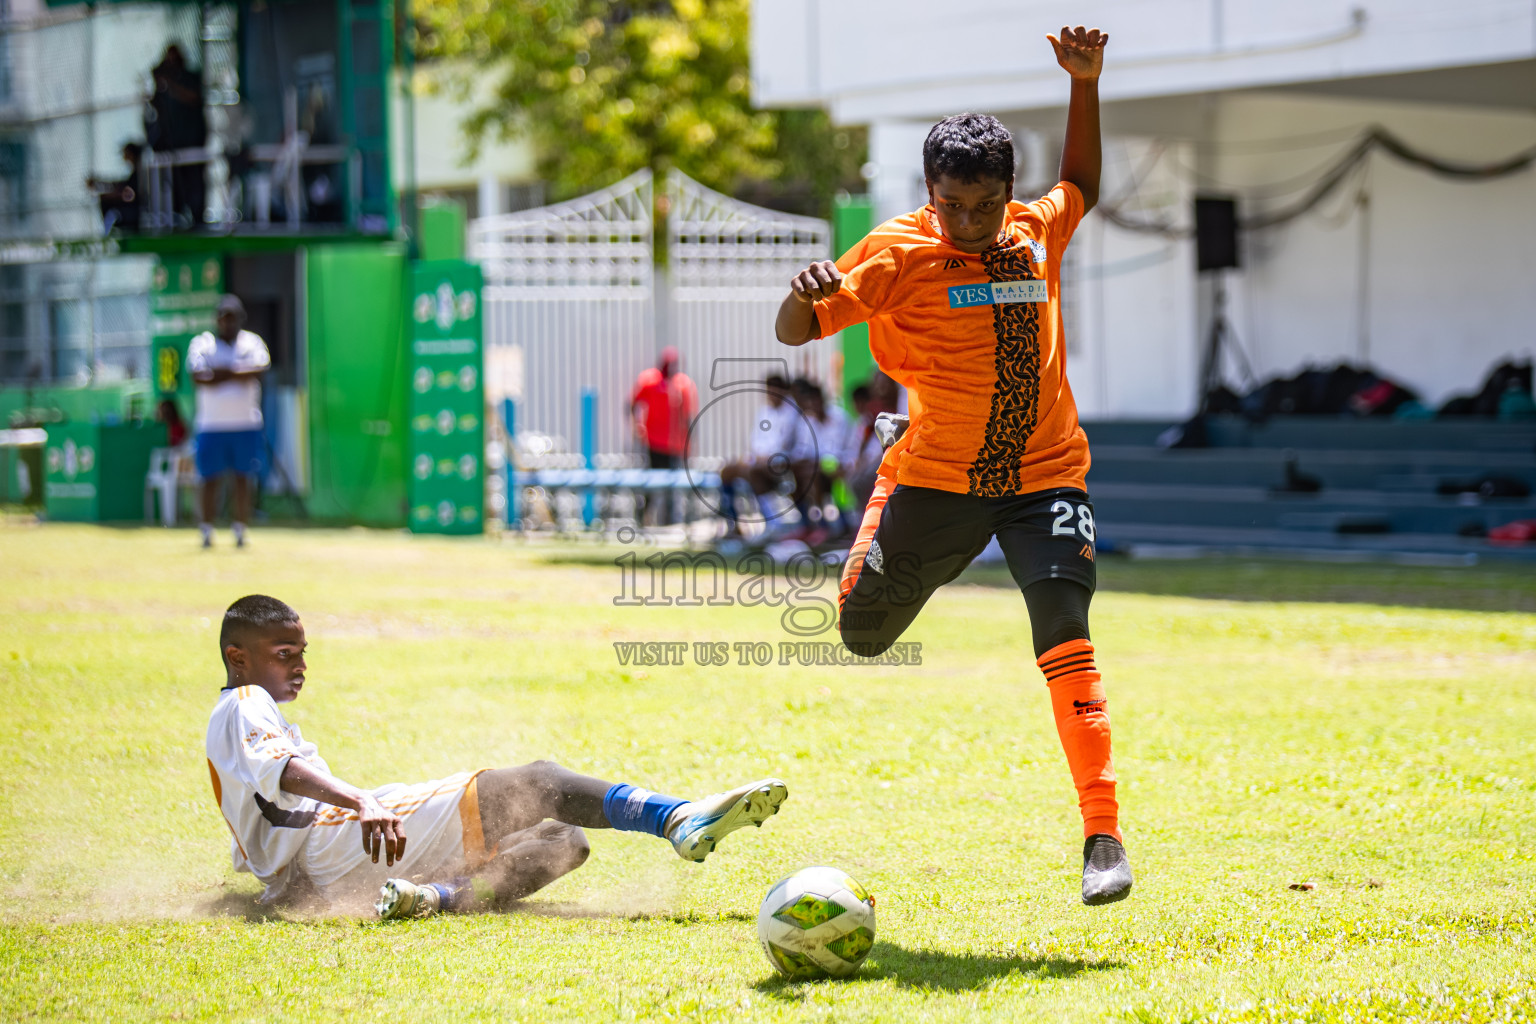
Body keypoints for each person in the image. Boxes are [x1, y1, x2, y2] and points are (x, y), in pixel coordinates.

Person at [773, 27, 1131, 906]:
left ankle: (1102, 834)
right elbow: (792, 332)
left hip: (1046, 474)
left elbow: (1081, 179)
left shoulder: (1037, 230)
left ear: (1010, 190)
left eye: (985, 205)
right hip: (934, 479)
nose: (969, 223)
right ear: (929, 192)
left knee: (1065, 631)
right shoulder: (896, 254)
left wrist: (1085, 85)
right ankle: (888, 478)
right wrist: (803, 292)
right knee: (861, 634)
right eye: (952, 206)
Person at [205, 595, 789, 917]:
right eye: (285, 653)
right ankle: (678, 818)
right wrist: (361, 801)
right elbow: (282, 769)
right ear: (239, 659)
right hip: (335, 843)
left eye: (303, 652)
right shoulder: (244, 702)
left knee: (564, 842)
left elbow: (260, 804)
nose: (300, 665)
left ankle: (431, 897)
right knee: (539, 781)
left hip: (323, 873)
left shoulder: (243, 714)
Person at [186, 294, 269, 549]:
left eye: (232, 318)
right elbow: (199, 376)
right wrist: (236, 371)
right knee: (209, 479)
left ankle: (240, 529)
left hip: (245, 424)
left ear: (240, 319)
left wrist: (221, 371)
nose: (227, 323)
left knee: (243, 478)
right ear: (217, 319)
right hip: (211, 425)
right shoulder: (203, 343)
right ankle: (207, 531)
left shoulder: (252, 342)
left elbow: (258, 370)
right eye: (223, 317)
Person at [717, 373, 797, 538]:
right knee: (726, 471)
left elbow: (784, 442)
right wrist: (753, 456)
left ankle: (772, 522)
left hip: (781, 460)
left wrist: (763, 456)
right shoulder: (764, 411)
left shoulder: (791, 412)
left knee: (755, 472)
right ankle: (733, 524)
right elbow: (755, 439)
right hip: (760, 459)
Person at [630, 346, 698, 525]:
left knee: (673, 484)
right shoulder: (650, 380)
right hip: (654, 442)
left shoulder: (682, 384)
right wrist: (636, 426)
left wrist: (689, 443)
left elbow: (688, 416)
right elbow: (634, 403)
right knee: (650, 482)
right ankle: (643, 518)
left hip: (676, 445)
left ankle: (670, 521)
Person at [87, 142, 144, 233]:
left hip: (135, 214)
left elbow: (127, 193)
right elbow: (120, 185)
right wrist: (99, 183)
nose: (124, 157)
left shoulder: (141, 173)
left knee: (106, 202)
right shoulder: (137, 172)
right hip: (132, 212)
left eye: (126, 153)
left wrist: (107, 195)